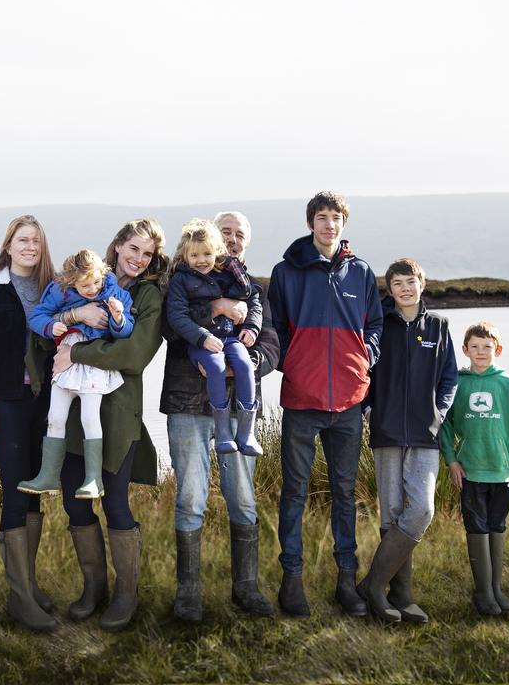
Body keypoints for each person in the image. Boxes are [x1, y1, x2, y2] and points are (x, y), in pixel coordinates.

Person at [268, 191, 383, 617]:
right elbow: (275, 329)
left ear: (343, 225)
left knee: (344, 492)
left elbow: (374, 325)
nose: (329, 225)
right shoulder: (285, 272)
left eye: (336, 218)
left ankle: (346, 581)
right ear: (310, 223)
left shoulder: (362, 272)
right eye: (321, 217)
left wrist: (366, 358)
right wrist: (291, 364)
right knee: (294, 492)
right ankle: (291, 579)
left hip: (350, 402)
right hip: (302, 398)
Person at [160, 210, 279, 622]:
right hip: (188, 405)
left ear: (247, 241)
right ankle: (188, 594)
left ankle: (247, 588)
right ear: (210, 238)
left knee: (243, 499)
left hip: (238, 406)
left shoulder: (253, 289)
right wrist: (216, 307)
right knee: (191, 497)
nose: (231, 238)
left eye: (238, 233)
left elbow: (271, 347)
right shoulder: (182, 277)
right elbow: (171, 327)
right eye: (223, 231)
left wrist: (247, 359)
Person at [52, 218, 167, 631]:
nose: (138, 259)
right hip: (74, 417)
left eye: (147, 254)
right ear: (117, 246)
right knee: (74, 500)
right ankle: (93, 588)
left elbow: (135, 354)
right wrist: (74, 314)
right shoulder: (87, 278)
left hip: (118, 415)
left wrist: (79, 352)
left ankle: (125, 595)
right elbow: (52, 322)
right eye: (132, 249)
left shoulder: (150, 295)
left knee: (116, 503)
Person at [0, 214, 60, 632]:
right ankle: (19, 599)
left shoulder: (52, 287)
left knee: (37, 488)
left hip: (45, 400)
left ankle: (30, 584)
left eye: (36, 242)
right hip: (4, 402)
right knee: (15, 489)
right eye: (23, 240)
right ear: (8, 246)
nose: (29, 247)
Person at [356, 258, 457, 623]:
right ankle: (400, 595)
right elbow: (361, 369)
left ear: (422, 283)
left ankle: (372, 586)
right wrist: (368, 409)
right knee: (393, 511)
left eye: (409, 281)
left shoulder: (439, 327)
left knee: (422, 510)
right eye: (396, 283)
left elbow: (449, 379)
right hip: (385, 430)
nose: (404, 289)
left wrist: (440, 412)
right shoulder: (378, 324)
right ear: (390, 289)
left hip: (425, 433)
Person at [19, 249, 134, 499]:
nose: (92, 289)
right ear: (72, 281)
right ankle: (48, 476)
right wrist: (51, 326)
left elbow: (124, 332)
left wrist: (118, 317)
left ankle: (94, 479)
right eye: (84, 285)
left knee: (90, 418)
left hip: (93, 359)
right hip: (66, 358)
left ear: (102, 274)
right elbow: (37, 316)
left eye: (96, 282)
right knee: (55, 416)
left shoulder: (113, 293)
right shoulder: (60, 290)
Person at [440, 321, 509, 616]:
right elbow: (444, 423)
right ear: (465, 350)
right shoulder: (458, 382)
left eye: (487, 347)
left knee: (497, 527)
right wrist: (451, 459)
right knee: (476, 527)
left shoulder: (507, 383)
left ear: (498, 350)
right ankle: (482, 594)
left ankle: (496, 589)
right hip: (471, 471)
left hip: (502, 470)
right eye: (475, 347)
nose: (481, 352)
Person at [165, 218, 262, 456]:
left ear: (216, 251)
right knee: (216, 366)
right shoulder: (179, 280)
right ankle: (223, 432)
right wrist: (202, 335)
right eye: (195, 255)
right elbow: (176, 319)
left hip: (230, 338)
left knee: (244, 364)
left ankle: (247, 432)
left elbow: (249, 297)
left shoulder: (228, 274)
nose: (201, 260)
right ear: (185, 255)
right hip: (202, 344)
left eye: (208, 254)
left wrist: (250, 328)